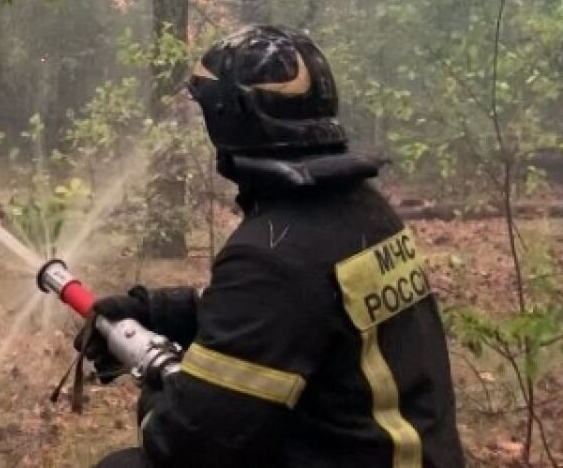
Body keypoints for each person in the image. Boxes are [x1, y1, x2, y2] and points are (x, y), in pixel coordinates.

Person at [81, 25, 465, 468]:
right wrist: (163, 312)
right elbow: (297, 312)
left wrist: (157, 380)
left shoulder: (272, 254)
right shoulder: (363, 212)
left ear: (229, 119)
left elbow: (190, 444)